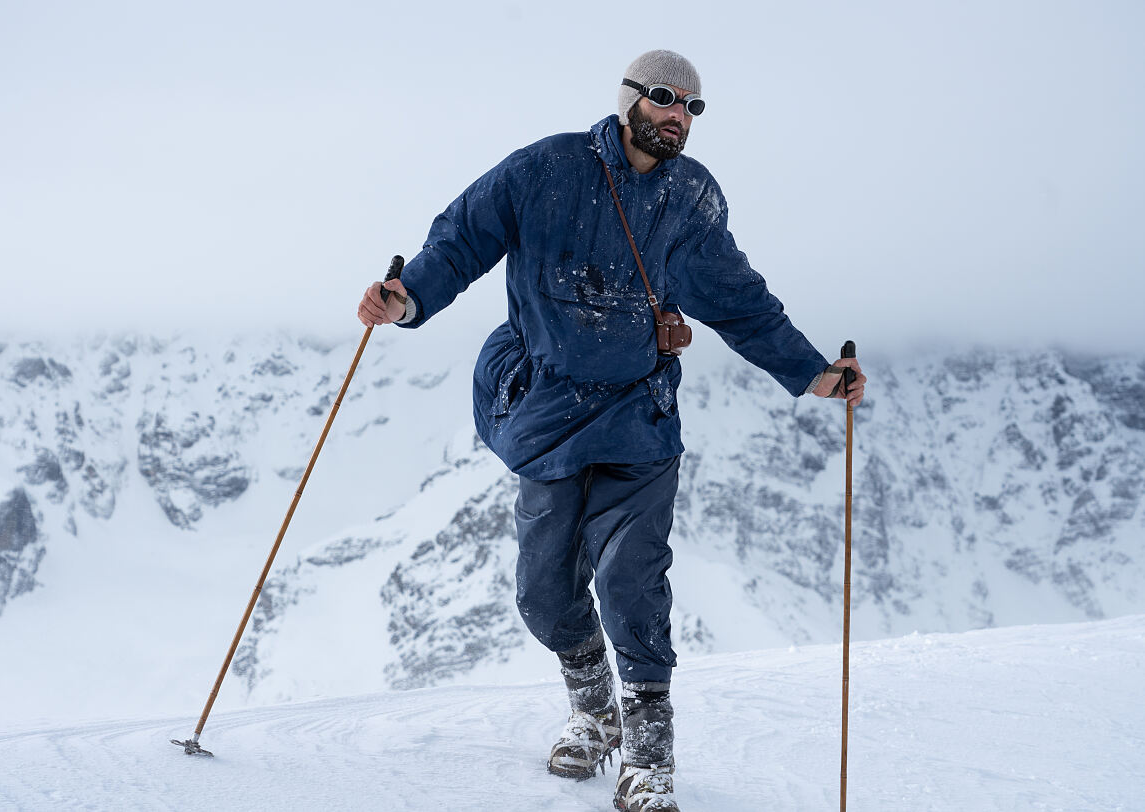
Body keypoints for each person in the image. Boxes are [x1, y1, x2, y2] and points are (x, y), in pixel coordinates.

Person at [357, 49, 866, 812]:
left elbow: (736, 297)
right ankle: (594, 712)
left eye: (692, 107)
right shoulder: (544, 171)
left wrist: (812, 371)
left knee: (632, 582)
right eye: (664, 97)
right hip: (546, 410)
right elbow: (461, 239)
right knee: (541, 593)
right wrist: (408, 300)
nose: (677, 115)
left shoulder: (691, 198)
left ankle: (651, 755)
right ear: (629, 98)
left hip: (639, 415)